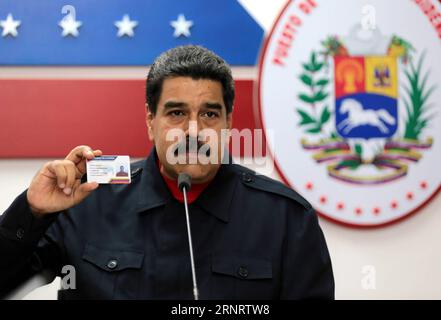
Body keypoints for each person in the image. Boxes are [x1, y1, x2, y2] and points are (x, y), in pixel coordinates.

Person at [0, 45, 334, 299]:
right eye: (176, 113)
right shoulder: (88, 198)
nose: (193, 130)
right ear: (150, 121)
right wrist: (32, 212)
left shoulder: (285, 218)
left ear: (229, 123)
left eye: (209, 114)